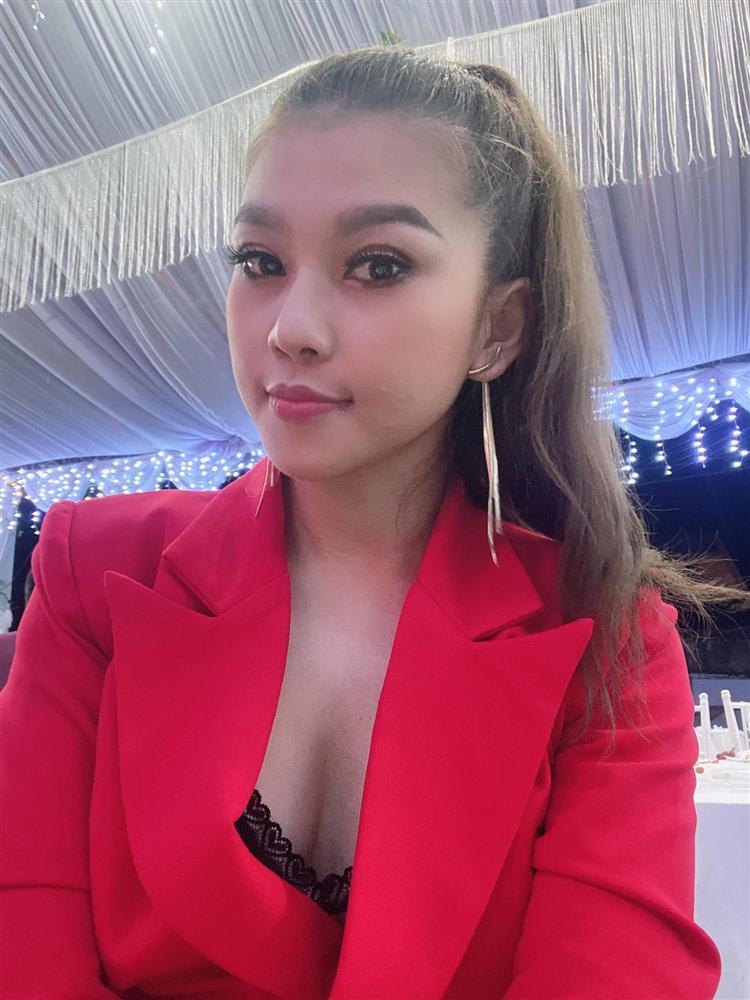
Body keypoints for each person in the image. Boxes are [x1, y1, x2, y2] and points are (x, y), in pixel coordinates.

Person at [1, 45, 745, 1000]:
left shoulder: (603, 638)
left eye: (377, 265)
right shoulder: (97, 573)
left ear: (498, 328)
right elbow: (23, 933)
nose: (291, 329)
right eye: (260, 261)